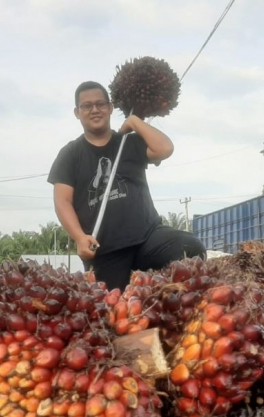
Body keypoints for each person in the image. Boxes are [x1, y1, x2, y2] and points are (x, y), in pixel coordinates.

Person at [47, 81, 206, 290]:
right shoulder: (70, 154)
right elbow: (62, 201)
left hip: (148, 238)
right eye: (87, 106)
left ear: (111, 108)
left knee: (190, 248)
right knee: (111, 308)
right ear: (77, 112)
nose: (95, 110)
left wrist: (134, 121)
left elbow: (165, 148)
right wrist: (79, 237)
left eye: (100, 104)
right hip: (104, 250)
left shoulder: (128, 143)